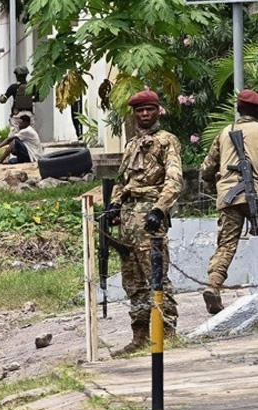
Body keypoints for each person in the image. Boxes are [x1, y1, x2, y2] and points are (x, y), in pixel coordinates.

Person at [105, 89, 183, 357]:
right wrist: (114, 204)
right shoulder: (130, 145)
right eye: (140, 110)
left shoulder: (166, 141)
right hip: (127, 219)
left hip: (150, 218)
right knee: (133, 279)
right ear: (135, 114)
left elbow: (174, 180)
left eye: (150, 109)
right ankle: (139, 335)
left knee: (156, 276)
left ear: (158, 110)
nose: (145, 114)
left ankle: (167, 333)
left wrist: (160, 209)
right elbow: (121, 181)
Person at [199, 89, 258, 315]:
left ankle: (213, 284)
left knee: (226, 244)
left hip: (229, 196)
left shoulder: (226, 132)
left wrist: (215, 182)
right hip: (256, 193)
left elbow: (206, 168)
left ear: (238, 110)